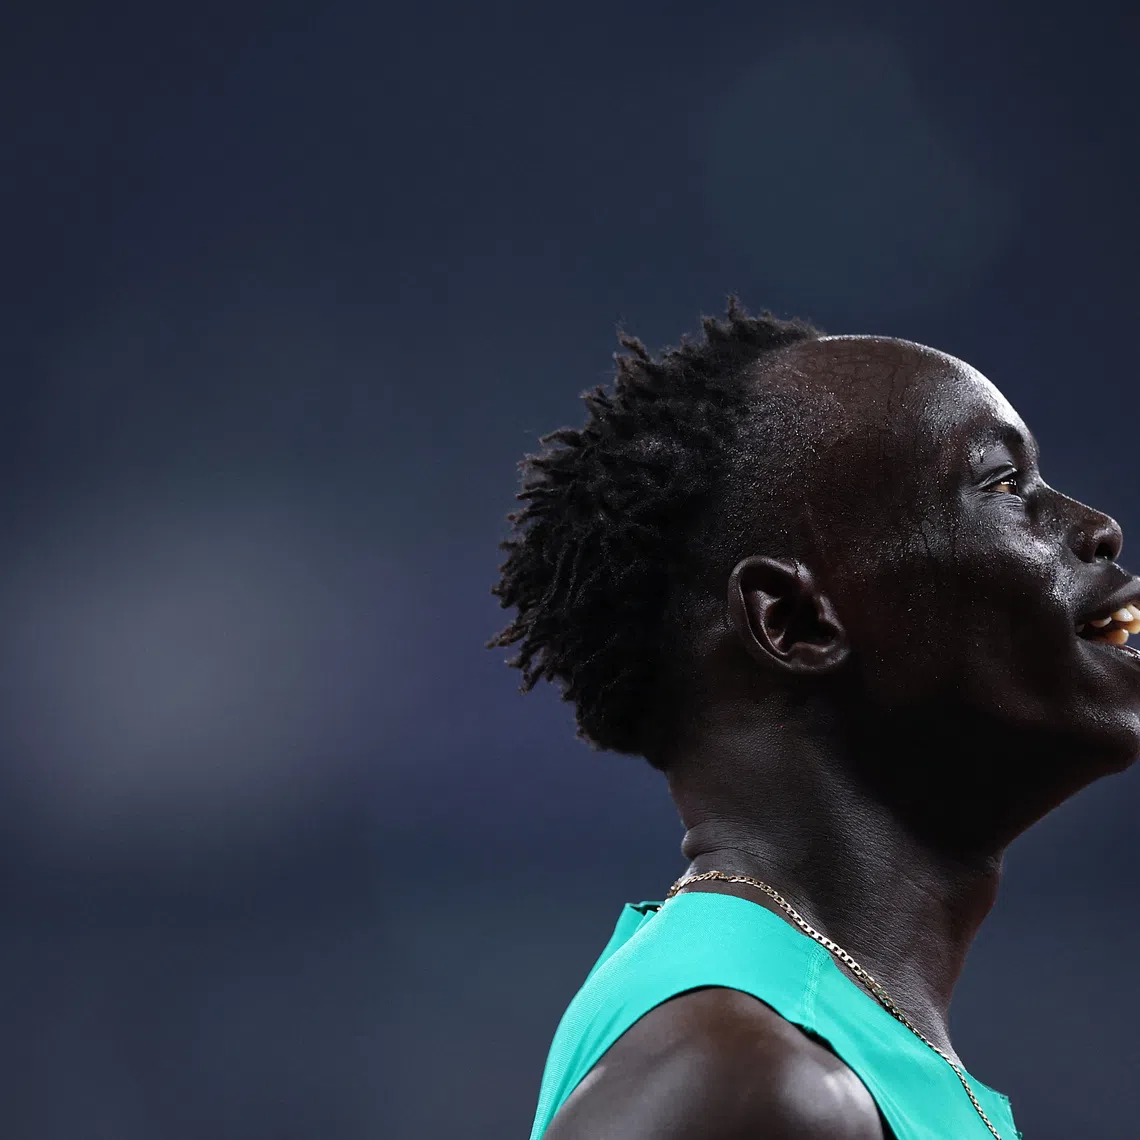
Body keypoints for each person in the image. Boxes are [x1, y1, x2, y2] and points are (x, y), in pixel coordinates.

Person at [486, 299, 1140, 1139]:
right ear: (795, 622)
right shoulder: (751, 1080)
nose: (1098, 529)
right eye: (1005, 485)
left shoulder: (808, 1048)